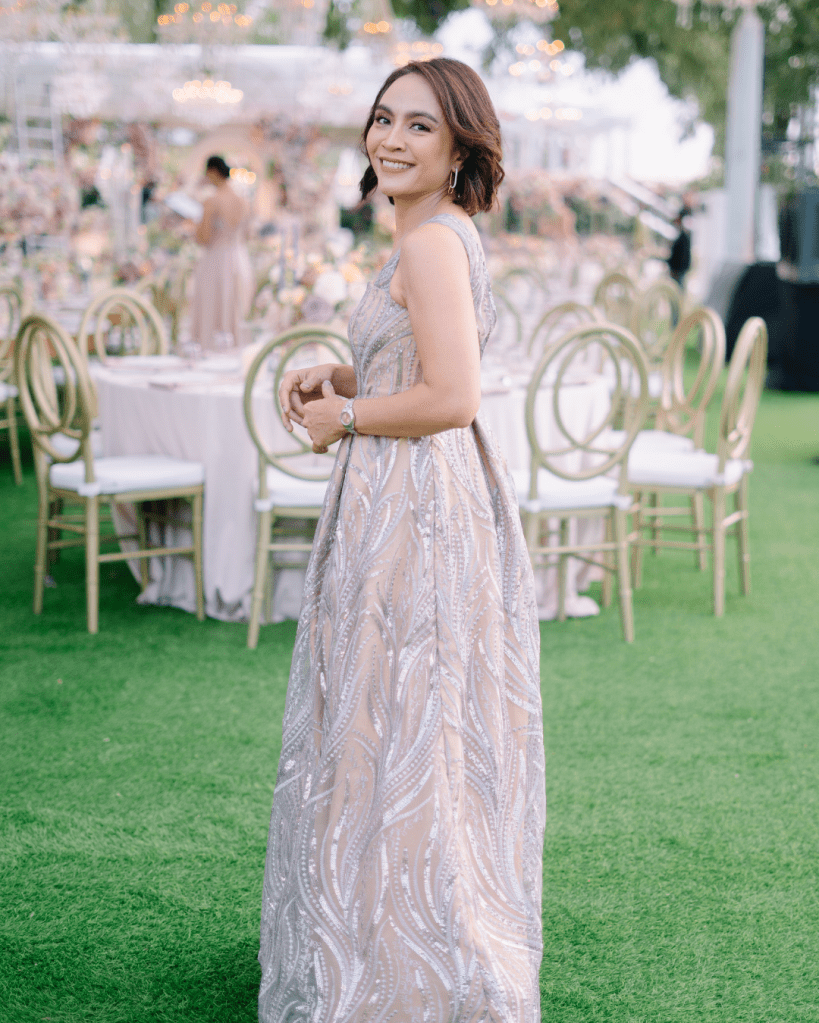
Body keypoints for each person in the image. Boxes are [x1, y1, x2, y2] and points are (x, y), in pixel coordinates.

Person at [258, 58, 545, 1023]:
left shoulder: (429, 242)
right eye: (384, 119)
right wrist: (345, 373)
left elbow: (452, 396)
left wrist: (344, 418)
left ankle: (411, 958)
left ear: (460, 146)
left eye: (420, 126)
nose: (391, 139)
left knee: (393, 714)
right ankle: (393, 934)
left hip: (413, 502)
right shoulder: (433, 234)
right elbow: (419, 360)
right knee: (410, 717)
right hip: (416, 491)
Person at [189, 155, 253, 349]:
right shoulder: (243, 201)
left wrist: (192, 229)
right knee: (234, 309)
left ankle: (209, 349)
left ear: (213, 172)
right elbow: (248, 235)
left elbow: (203, 238)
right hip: (239, 261)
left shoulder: (212, 201)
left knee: (211, 309)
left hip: (215, 262)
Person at [667, 206, 692, 287]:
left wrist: (675, 270)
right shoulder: (682, 236)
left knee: (676, 288)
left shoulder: (683, 237)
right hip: (678, 270)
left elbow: (681, 256)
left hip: (678, 271)